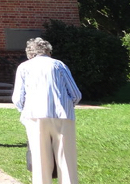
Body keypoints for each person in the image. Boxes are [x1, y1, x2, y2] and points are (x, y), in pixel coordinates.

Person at [12, 37, 82, 184]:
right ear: (48, 51)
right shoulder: (59, 64)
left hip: (34, 115)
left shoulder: (24, 67)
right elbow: (76, 94)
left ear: (30, 52)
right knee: (66, 158)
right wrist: (68, 104)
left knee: (40, 159)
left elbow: (18, 98)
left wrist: (24, 109)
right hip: (62, 114)